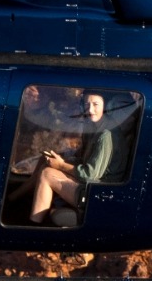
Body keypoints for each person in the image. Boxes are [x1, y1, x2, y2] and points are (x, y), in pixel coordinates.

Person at [27, 91, 114, 224]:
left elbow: (91, 175)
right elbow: (83, 159)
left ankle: (30, 228)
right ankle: (14, 199)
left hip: (96, 194)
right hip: (89, 186)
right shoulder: (92, 129)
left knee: (47, 174)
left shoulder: (105, 135)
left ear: (105, 106)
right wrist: (62, 161)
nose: (90, 110)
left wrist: (61, 165)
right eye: (86, 104)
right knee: (45, 163)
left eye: (95, 104)